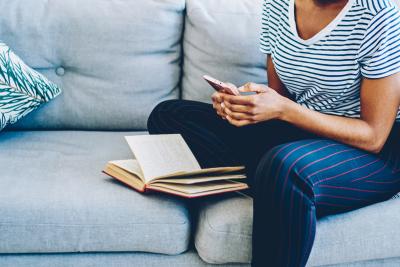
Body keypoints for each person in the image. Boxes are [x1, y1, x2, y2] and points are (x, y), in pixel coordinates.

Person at [147, 0, 400, 266]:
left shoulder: (378, 15)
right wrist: (243, 106)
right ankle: (279, 187)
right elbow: (279, 98)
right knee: (169, 115)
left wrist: (284, 110)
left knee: (284, 167)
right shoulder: (278, 6)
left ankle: (280, 184)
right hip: (305, 137)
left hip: (374, 151)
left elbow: (374, 135)